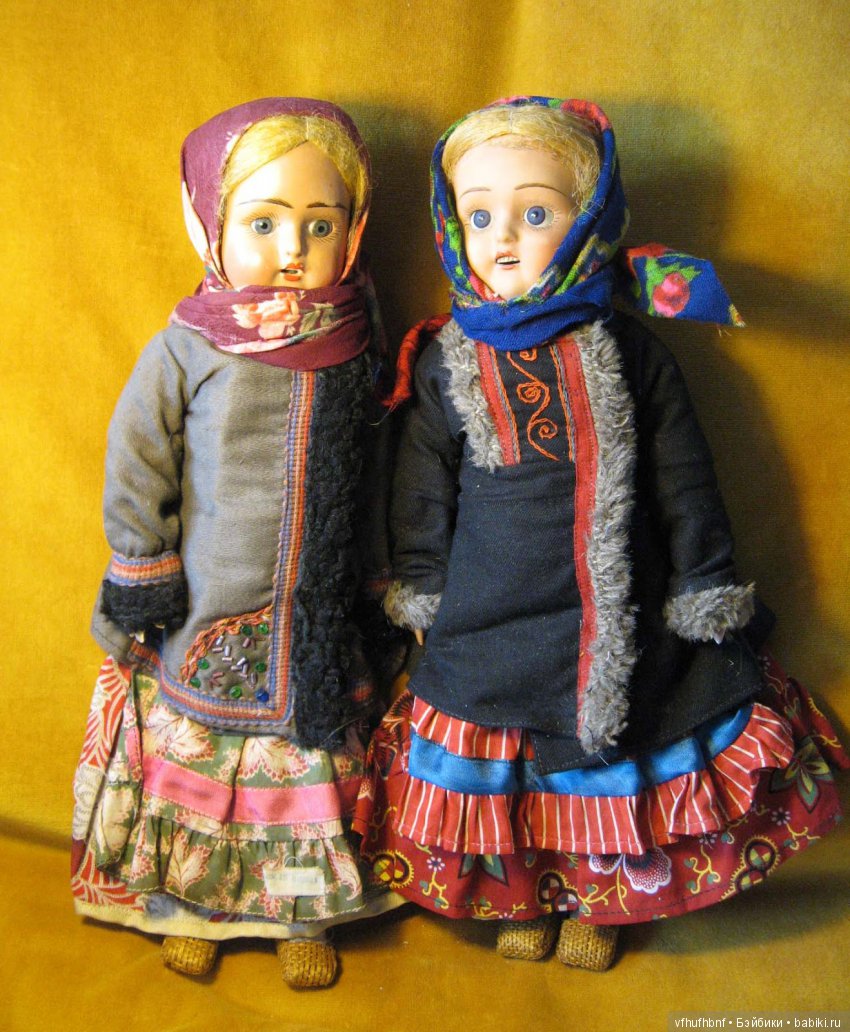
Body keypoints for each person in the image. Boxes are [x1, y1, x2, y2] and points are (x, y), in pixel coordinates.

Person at [353, 96, 847, 971]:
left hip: (618, 613)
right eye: (479, 217)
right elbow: (419, 489)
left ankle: (601, 903)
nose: (505, 239)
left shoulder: (632, 351)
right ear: (451, 227)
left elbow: (685, 481)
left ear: (588, 221)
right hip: (489, 616)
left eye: (536, 213)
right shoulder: (444, 360)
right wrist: (422, 588)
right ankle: (523, 897)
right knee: (504, 757)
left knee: (616, 749)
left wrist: (704, 584)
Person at [71, 97, 400, 989]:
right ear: (210, 223)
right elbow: (138, 460)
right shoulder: (187, 347)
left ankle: (303, 914)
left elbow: (378, 469)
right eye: (263, 222)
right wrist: (143, 568)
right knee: (207, 773)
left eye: (320, 224)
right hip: (210, 617)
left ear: (353, 231)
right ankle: (196, 909)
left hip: (319, 625)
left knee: (304, 776)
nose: (293, 249)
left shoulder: (358, 343)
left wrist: (383, 579)